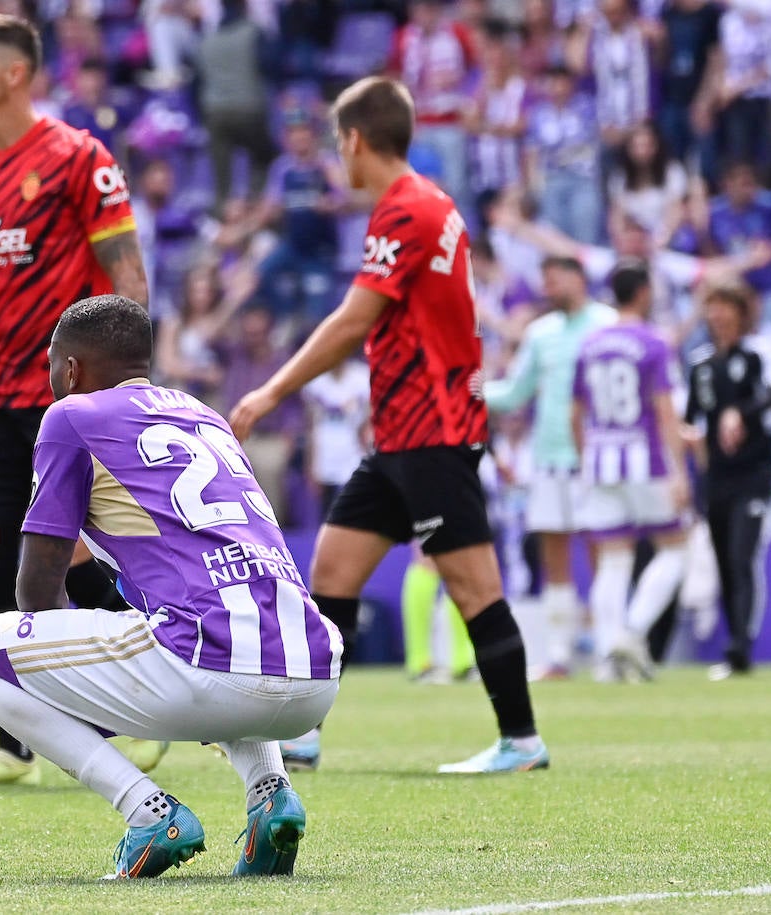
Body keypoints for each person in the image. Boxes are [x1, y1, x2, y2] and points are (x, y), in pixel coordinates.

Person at [0, 295, 341, 878]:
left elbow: (36, 592)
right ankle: (270, 793)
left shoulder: (71, 416)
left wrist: (74, 695)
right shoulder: (203, 414)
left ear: (72, 369)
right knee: (208, 631)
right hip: (315, 674)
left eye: (52, 363)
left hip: (209, 669)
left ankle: (148, 812)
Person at [230, 76, 550, 775]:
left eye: (337, 142)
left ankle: (521, 739)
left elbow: (354, 319)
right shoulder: (433, 204)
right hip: (406, 431)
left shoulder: (405, 209)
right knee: (335, 567)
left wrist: (269, 389)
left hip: (434, 431)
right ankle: (306, 732)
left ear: (352, 140)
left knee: (473, 586)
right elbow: (418, 323)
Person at [0, 14, 161, 787]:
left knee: (74, 551)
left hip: (66, 395)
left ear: (14, 73)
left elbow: (126, 275)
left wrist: (129, 387)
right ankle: (15, 741)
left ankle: (147, 695)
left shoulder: (77, 158)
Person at [485, 257, 616, 678]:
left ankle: (606, 649)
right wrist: (464, 390)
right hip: (548, 457)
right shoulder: (541, 334)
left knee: (603, 553)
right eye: (545, 281)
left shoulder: (608, 324)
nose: (549, 288)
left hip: (597, 458)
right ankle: (560, 655)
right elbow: (513, 394)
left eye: (555, 279)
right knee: (555, 555)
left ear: (579, 279)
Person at [570, 261, 692, 681]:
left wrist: (587, 459)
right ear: (642, 292)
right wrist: (679, 471)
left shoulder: (589, 344)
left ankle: (608, 655)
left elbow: (575, 412)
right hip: (646, 458)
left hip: (601, 459)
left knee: (613, 560)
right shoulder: (654, 343)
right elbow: (664, 408)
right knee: (676, 548)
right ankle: (632, 632)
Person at [685, 282, 771, 680]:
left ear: (742, 313)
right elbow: (690, 419)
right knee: (724, 559)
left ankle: (741, 646)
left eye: (726, 307)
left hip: (754, 474)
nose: (718, 315)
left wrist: (738, 413)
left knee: (743, 556)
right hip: (717, 477)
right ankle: (734, 646)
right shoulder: (701, 363)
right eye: (713, 307)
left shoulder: (761, 352)